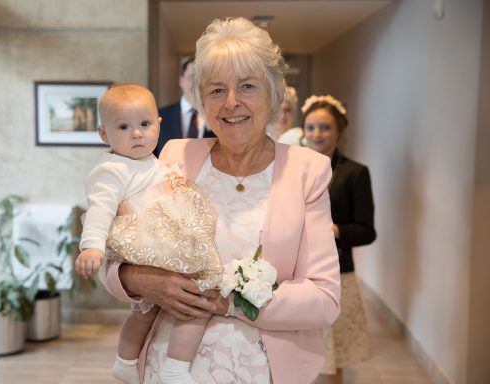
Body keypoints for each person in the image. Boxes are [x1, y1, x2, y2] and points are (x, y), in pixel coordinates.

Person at [98, 17, 341, 384]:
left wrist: (231, 303)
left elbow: (324, 299)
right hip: (167, 369)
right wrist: (141, 280)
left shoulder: (308, 171)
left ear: (273, 94)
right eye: (215, 90)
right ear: (200, 100)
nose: (231, 103)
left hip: (264, 371)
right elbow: (115, 251)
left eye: (247, 86)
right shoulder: (172, 158)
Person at [75, 83, 223, 384]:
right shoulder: (112, 169)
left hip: (165, 243)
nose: (137, 134)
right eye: (124, 127)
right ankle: (173, 370)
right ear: (105, 135)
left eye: (144, 124)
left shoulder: (154, 163)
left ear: (158, 124)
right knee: (191, 303)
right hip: (148, 244)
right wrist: (91, 247)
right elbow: (99, 209)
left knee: (150, 311)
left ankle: (126, 363)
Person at [299, 95, 377, 384]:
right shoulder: (293, 168)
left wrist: (335, 231)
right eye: (310, 127)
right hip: (294, 273)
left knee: (332, 361)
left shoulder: (355, 173)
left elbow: (367, 231)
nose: (316, 134)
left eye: (325, 127)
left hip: (336, 274)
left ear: (339, 130)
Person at [155, 56, 215, 156]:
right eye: (191, 77)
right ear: (181, 81)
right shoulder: (160, 116)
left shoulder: (219, 117)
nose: (196, 83)